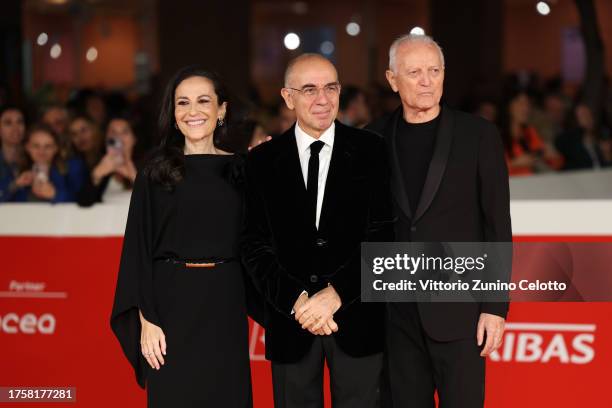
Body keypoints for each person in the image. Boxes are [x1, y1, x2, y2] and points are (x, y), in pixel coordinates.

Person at [367, 34, 511, 408]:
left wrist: (494, 307)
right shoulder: (371, 139)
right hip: (395, 315)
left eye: (434, 70)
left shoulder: (478, 135)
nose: (427, 80)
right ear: (392, 78)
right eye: (414, 72)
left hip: (460, 312)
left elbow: (497, 223)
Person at [242, 53, 394, 408]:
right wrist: (298, 302)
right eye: (308, 89)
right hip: (291, 325)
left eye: (330, 87)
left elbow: (384, 236)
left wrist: (336, 294)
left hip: (358, 321)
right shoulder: (261, 161)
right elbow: (253, 244)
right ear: (287, 97)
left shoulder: (371, 150)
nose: (322, 99)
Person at [110, 66, 254, 407]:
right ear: (173, 114)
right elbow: (138, 249)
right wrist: (147, 319)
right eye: (183, 103)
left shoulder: (243, 169)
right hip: (170, 307)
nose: (193, 111)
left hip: (224, 303)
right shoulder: (154, 171)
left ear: (221, 110)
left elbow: (260, 240)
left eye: (204, 101)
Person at [13, 125, 85, 203]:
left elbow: (83, 200)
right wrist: (15, 185)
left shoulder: (72, 167)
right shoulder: (18, 170)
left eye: (48, 146)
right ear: (27, 147)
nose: (41, 152)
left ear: (56, 148)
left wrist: (56, 195)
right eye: (36, 146)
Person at [77, 116, 139, 206]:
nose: (119, 137)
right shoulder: (95, 164)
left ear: (134, 139)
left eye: (124, 132)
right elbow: (83, 202)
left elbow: (155, 203)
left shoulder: (148, 166)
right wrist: (97, 175)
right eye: (113, 132)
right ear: (106, 138)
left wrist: (133, 175)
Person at [0, 106, 27, 202]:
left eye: (20, 122)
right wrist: (15, 185)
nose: (15, 128)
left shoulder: (34, 156)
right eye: (8, 123)